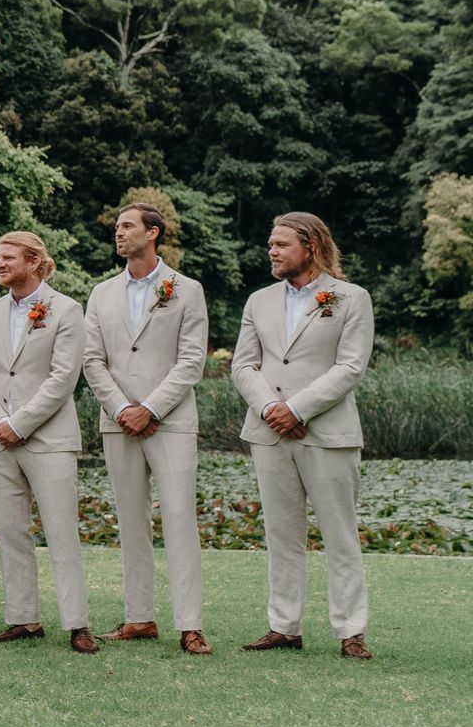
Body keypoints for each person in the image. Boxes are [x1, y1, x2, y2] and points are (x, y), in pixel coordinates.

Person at [231, 212, 376, 660]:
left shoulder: (351, 298)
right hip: (269, 433)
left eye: (280, 244)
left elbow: (350, 366)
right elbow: (242, 365)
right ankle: (283, 626)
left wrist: (297, 408)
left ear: (310, 246)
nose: (271, 252)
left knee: (340, 534)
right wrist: (271, 408)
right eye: (271, 245)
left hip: (328, 433)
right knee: (281, 534)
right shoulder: (258, 301)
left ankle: (350, 630)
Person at [82, 203, 212, 655]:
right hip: (118, 424)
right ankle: (139, 618)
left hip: (170, 422)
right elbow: (92, 360)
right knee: (130, 522)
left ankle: (190, 624)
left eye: (127, 226)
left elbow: (192, 360)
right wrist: (121, 408)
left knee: (178, 518)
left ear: (152, 233)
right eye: (117, 227)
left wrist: (151, 408)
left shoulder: (187, 289)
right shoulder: (100, 294)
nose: (118, 233)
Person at [0, 231, 96, 654]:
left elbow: (63, 378)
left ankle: (77, 624)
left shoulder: (67, 310)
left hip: (49, 438)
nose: (0, 264)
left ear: (35, 260)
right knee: (9, 531)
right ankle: (24, 619)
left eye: (8, 257)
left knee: (61, 532)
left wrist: (20, 423)